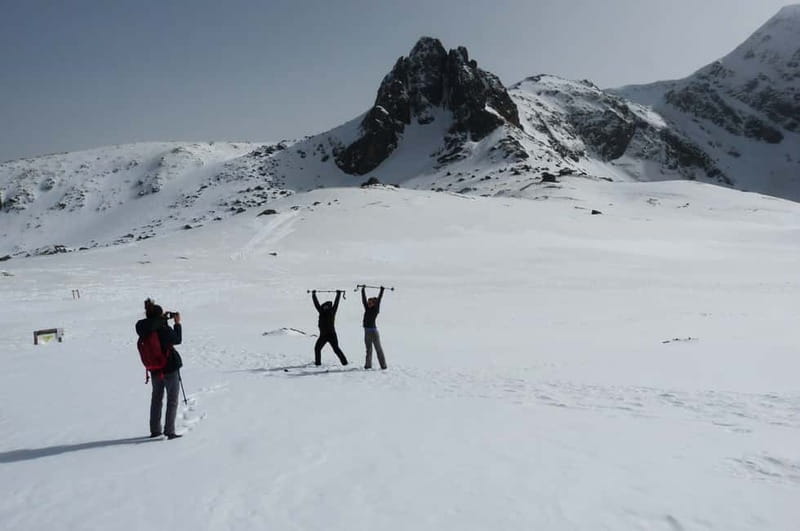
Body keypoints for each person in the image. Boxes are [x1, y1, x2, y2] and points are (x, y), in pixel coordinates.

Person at [135, 299, 183, 440]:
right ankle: (170, 431)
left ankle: (155, 430)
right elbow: (177, 339)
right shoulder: (162, 328)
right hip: (169, 368)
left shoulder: (144, 328)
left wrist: (163, 320)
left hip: (154, 368)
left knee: (156, 398)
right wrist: (177, 324)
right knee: (172, 400)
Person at [312, 290, 348, 366]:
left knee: (336, 349)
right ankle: (318, 364)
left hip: (332, 335)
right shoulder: (321, 311)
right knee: (317, 348)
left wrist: (338, 294)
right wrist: (313, 295)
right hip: (323, 335)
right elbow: (316, 304)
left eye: (327, 306)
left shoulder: (332, 311)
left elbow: (336, 303)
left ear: (329, 307)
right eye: (325, 306)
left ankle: (345, 363)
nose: (325, 307)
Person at [362, 286, 387, 369]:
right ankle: (368, 365)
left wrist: (381, 290)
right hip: (366, 331)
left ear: (374, 304)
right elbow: (363, 300)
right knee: (368, 349)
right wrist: (362, 290)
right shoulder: (367, 308)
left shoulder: (376, 309)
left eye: (370, 303)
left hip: (373, 332)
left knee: (378, 349)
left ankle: (383, 366)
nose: (368, 304)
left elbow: (379, 299)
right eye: (368, 303)